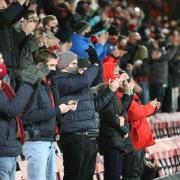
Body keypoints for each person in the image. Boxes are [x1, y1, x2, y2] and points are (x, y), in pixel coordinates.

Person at [51, 49, 120, 180]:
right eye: (73, 63)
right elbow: (86, 80)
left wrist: (110, 91)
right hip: (74, 137)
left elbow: (96, 105)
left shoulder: (78, 82)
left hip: (90, 136)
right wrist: (94, 64)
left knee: (87, 176)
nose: (76, 66)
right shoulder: (59, 80)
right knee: (74, 176)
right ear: (64, 65)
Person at [22, 49, 77, 180]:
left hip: (49, 141)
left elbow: (48, 111)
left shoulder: (47, 84)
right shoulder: (31, 84)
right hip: (36, 143)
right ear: (40, 65)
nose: (54, 69)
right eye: (51, 66)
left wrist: (65, 109)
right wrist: (57, 110)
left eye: (55, 66)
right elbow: (29, 115)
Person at [0, 52, 46, 180]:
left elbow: (21, 109)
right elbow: (12, 110)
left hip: (9, 151)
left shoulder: (4, 88)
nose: (3, 61)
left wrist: (34, 84)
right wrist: (28, 83)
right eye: (0, 59)